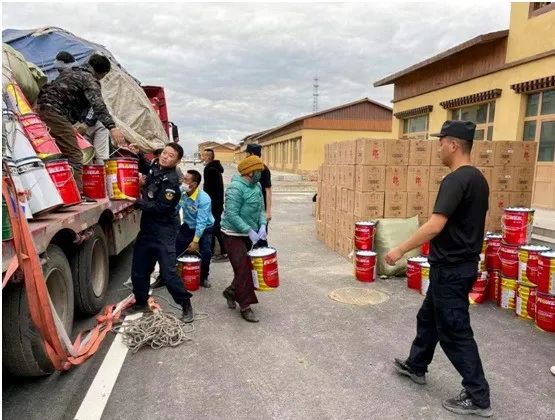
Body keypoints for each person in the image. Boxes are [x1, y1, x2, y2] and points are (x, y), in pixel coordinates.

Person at [385, 120, 491, 417]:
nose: (439, 146)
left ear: (454, 144)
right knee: (428, 317)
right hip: (460, 265)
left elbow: (435, 225)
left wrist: (400, 249)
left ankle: (478, 396)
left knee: (455, 331)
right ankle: (416, 365)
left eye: (441, 141)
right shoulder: (478, 179)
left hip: (452, 269)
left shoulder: (455, 180)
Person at [37, 54, 125, 194]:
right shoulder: (89, 79)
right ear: (101, 74)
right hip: (54, 113)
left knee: (57, 153)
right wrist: (112, 127)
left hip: (43, 111)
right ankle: (76, 194)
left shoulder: (70, 72)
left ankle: (55, 192)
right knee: (75, 154)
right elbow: (98, 105)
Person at [126, 143, 194, 322]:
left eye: (170, 156)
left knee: (169, 273)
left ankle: (186, 304)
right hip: (147, 229)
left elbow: (160, 208)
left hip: (164, 231)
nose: (165, 157)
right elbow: (148, 168)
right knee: (139, 269)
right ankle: (141, 301)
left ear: (177, 161)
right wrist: (139, 154)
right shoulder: (156, 167)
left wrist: (136, 202)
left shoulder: (172, 181)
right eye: (164, 153)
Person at [221, 155, 267, 323]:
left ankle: (231, 291)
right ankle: (246, 306)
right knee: (243, 269)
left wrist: (262, 225)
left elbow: (261, 209)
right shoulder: (235, 188)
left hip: (249, 233)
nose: (260, 174)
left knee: (246, 267)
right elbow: (231, 214)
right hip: (232, 234)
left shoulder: (257, 186)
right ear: (250, 172)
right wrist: (248, 230)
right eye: (259, 171)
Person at [175, 169, 215, 288]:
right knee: (176, 249)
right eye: (184, 179)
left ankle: (204, 277)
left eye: (186, 180)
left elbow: (201, 222)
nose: (183, 182)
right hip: (188, 225)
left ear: (194, 184)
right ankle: (175, 275)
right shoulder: (182, 193)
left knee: (206, 253)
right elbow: (176, 208)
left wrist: (195, 241)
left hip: (205, 227)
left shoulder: (204, 199)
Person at [202, 148, 227, 260]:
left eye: (203, 156)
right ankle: (216, 251)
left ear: (208, 157)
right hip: (217, 202)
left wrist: (205, 202)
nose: (202, 157)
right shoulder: (215, 168)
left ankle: (221, 251)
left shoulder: (210, 169)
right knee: (214, 226)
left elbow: (209, 189)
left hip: (213, 203)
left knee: (214, 227)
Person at [246, 144, 272, 224]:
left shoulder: (264, 169)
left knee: (261, 233)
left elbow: (268, 191)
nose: (246, 156)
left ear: (252, 154)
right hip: (248, 207)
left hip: (260, 209)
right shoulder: (246, 168)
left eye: (247, 153)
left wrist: (268, 212)